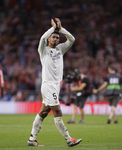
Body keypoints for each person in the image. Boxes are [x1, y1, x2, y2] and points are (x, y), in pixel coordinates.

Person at [27, 18, 82, 147]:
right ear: (49, 39)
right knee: (58, 112)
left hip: (56, 86)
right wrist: (53, 28)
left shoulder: (60, 49)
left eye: (58, 37)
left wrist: (61, 29)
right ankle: (69, 139)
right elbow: (41, 39)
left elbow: (72, 39)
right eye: (53, 37)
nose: (56, 39)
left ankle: (32, 139)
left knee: (43, 112)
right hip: (48, 85)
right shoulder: (43, 50)